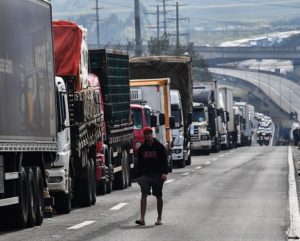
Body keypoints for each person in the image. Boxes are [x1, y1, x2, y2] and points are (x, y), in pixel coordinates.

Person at [135, 126, 168, 226]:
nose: (148, 135)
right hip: (145, 175)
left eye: (150, 133)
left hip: (157, 175)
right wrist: (138, 176)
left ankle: (159, 218)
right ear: (144, 136)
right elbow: (139, 163)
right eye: (146, 134)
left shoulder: (159, 147)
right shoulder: (142, 148)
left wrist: (164, 173)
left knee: (158, 196)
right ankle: (142, 218)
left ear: (152, 134)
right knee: (144, 195)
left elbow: (165, 161)